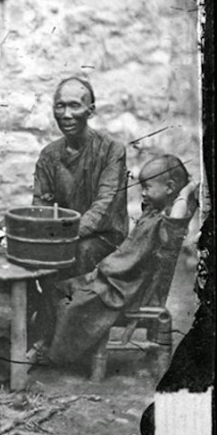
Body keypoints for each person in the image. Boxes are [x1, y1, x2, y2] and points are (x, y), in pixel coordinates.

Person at [33, 155, 198, 365]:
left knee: (73, 306)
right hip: (117, 279)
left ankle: (57, 356)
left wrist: (186, 191)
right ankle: (47, 342)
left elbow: (177, 216)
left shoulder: (169, 223)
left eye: (147, 187)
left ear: (170, 187)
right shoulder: (153, 211)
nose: (143, 193)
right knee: (60, 289)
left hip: (130, 289)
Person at [33, 76, 128, 274]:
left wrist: (61, 234)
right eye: (60, 106)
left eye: (75, 106)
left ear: (90, 111)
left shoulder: (112, 150)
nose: (66, 115)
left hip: (103, 238)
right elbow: (41, 204)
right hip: (62, 235)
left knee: (80, 251)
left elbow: (104, 207)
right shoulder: (49, 155)